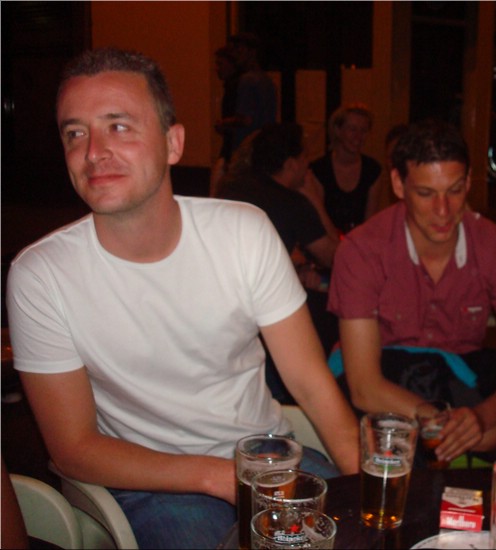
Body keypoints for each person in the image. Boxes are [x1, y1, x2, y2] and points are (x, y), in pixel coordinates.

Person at [6, 48, 359, 549]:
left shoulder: (244, 233)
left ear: (174, 143)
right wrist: (219, 477)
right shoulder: (41, 276)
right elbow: (73, 448)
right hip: (153, 483)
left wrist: (362, 486)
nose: (93, 152)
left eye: (118, 126)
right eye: (75, 133)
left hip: (268, 456)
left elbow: (310, 381)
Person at [327, 120, 496, 466]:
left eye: (455, 191)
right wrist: (444, 425)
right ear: (399, 185)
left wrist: (481, 419)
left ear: (469, 181)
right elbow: (364, 386)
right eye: (426, 194)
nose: (443, 211)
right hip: (384, 384)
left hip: (457, 378)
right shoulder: (362, 250)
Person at [219, 123, 341, 393]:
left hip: (224, 301)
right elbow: (336, 258)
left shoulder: (232, 187)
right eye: (305, 158)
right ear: (291, 164)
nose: (308, 166)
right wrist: (314, 198)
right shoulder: (291, 202)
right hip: (260, 312)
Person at [210, 32, 277, 197]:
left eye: (239, 50)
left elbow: (245, 119)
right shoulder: (268, 81)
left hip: (245, 151)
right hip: (264, 149)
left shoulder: (247, 81)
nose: (236, 55)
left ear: (251, 52)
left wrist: (224, 123)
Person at [310, 102, 382, 235]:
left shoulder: (372, 170)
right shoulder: (319, 169)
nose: (358, 136)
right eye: (352, 129)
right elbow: (318, 222)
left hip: (360, 241)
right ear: (338, 130)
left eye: (363, 131)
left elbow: (370, 223)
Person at [209, 46, 243, 194]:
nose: (217, 69)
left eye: (220, 64)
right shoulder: (231, 86)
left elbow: (243, 119)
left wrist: (225, 124)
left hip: (235, 148)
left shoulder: (238, 86)